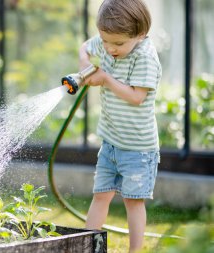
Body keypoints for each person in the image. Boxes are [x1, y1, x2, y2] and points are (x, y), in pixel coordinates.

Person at [79, 0, 162, 252]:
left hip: (138, 150)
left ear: (140, 34)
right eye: (105, 41)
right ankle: (87, 246)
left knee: (133, 202)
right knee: (101, 195)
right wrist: (85, 64)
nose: (109, 49)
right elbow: (85, 46)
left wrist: (105, 78)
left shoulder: (145, 57)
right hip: (111, 144)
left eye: (118, 44)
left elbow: (137, 97)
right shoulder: (108, 40)